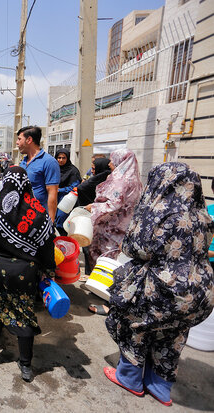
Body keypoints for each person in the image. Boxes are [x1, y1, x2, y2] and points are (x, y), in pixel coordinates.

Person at [103, 162, 214, 406]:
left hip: (165, 290)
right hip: (201, 292)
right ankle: (160, 387)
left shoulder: (160, 214)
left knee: (133, 323)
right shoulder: (204, 216)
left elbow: (135, 248)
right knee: (173, 334)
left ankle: (130, 378)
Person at [0, 166, 56, 382]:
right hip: (25, 273)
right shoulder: (37, 211)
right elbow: (47, 244)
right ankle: (26, 366)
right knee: (23, 314)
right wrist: (49, 270)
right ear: (27, 184)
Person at [84, 149, 142, 271]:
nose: (109, 164)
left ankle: (101, 287)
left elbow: (113, 204)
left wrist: (93, 207)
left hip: (111, 229)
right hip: (123, 228)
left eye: (111, 161)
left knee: (104, 260)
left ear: (119, 161)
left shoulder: (121, 180)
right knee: (115, 260)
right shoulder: (135, 179)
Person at [17, 126, 60, 222]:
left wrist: (51, 222)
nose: (17, 142)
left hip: (38, 218)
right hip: (22, 216)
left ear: (29, 140)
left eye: (19, 139)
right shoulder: (23, 161)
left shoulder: (49, 162)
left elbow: (52, 193)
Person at [54, 148, 81, 232]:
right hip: (54, 196)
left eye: (63, 158)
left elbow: (75, 186)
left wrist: (60, 190)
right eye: (59, 158)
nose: (61, 160)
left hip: (66, 198)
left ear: (67, 158)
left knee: (61, 220)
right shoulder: (54, 168)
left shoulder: (73, 171)